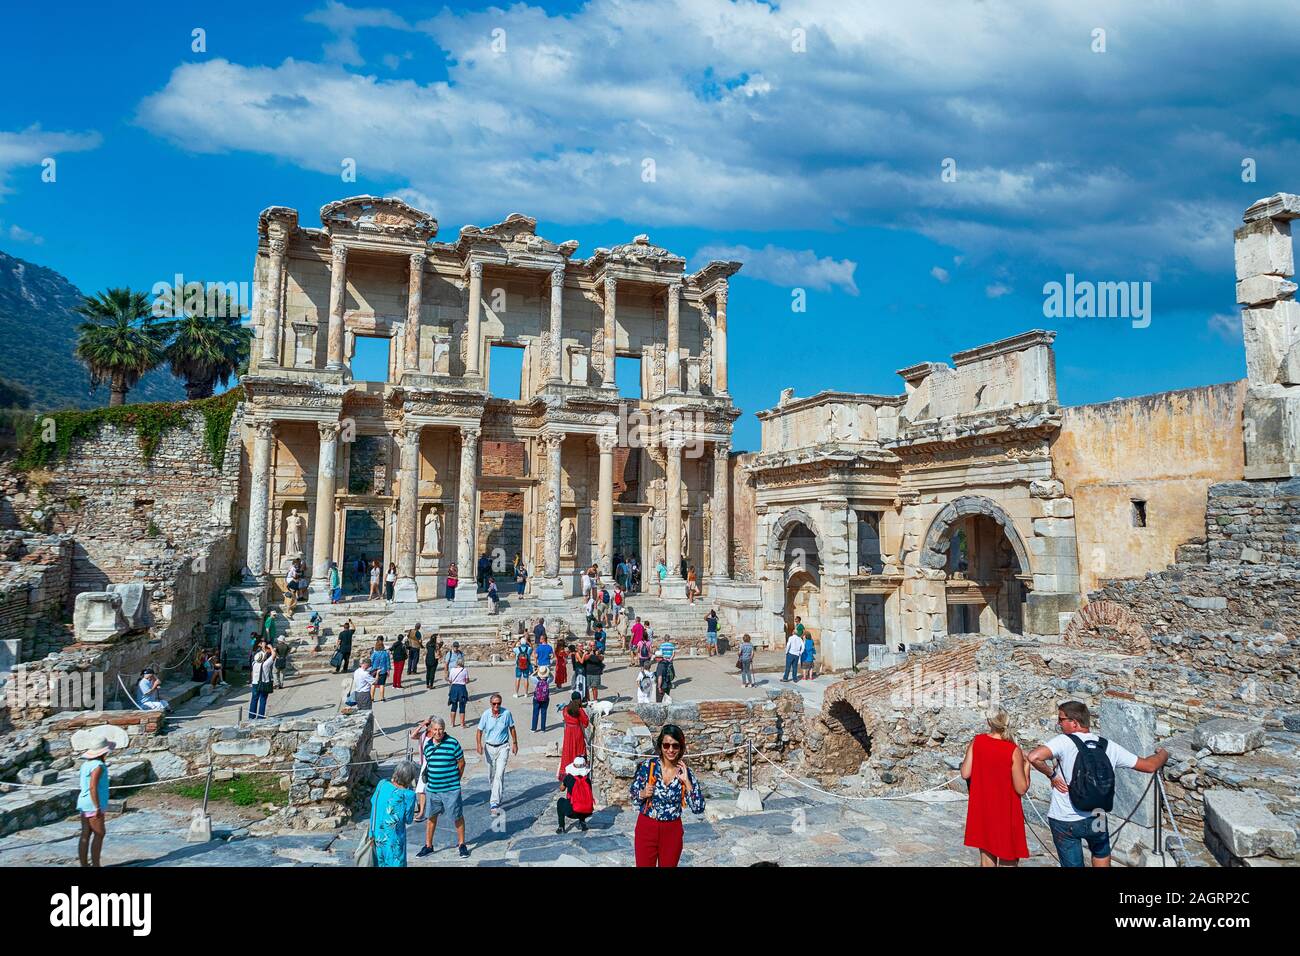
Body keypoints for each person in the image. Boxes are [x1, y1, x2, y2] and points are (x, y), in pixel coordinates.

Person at [1025, 700, 1171, 868]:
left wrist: (1052, 775)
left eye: (1061, 719)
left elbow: (1034, 757)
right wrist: (1163, 755)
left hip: (1065, 818)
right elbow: (1149, 765)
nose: (1059, 723)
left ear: (1074, 722)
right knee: (1101, 854)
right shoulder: (1107, 745)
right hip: (1097, 813)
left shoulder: (1064, 741)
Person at [961, 709, 1030, 866]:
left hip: (983, 809)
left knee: (986, 861)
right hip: (1006, 811)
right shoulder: (1013, 750)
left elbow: (965, 773)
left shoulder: (977, 741)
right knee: (1008, 859)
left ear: (989, 723)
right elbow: (1021, 788)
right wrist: (1027, 767)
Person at [630, 724, 705, 867]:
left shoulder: (685, 773)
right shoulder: (648, 767)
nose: (670, 750)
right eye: (666, 745)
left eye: (675, 746)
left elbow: (698, 808)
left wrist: (687, 782)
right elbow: (633, 794)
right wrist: (643, 793)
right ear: (660, 746)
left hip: (672, 831)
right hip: (647, 827)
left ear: (681, 747)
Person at [415, 717, 470, 859]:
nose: (438, 732)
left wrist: (455, 779)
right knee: (431, 817)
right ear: (431, 730)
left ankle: (462, 844)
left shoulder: (453, 743)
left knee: (457, 816)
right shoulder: (427, 746)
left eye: (440, 729)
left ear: (444, 730)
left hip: (451, 788)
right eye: (435, 729)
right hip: (433, 789)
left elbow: (461, 762)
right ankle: (428, 845)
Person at [370, 760, 420, 867]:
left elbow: (373, 805)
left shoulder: (382, 784)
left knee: (380, 863)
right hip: (395, 841)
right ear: (410, 778)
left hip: (378, 836)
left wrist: (371, 833)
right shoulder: (408, 795)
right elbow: (408, 819)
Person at [77, 733, 116, 867]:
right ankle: (96, 864)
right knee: (99, 833)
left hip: (83, 801)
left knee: (85, 834)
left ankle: (84, 864)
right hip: (93, 803)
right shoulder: (99, 765)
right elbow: (93, 786)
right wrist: (97, 806)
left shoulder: (85, 765)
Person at [476, 693, 519, 815]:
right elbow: (479, 731)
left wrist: (515, 743)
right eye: (494, 703)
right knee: (491, 775)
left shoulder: (506, 714)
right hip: (489, 747)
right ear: (491, 704)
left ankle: (494, 802)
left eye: (498, 703)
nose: (496, 706)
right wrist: (478, 744)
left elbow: (512, 728)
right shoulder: (485, 715)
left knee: (499, 774)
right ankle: (497, 792)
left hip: (503, 747)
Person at [557, 755, 595, 834]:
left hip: (572, 812)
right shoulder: (587, 780)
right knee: (582, 799)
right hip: (587, 812)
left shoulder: (569, 778)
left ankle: (561, 826)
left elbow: (561, 789)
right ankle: (583, 823)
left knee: (560, 801)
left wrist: (565, 781)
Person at [558, 692, 589, 784]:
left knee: (568, 751)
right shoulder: (579, 710)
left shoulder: (566, 709)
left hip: (568, 732)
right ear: (579, 699)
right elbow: (586, 722)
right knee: (579, 750)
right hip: (577, 732)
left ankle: (567, 773)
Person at [248, 645, 274, 719]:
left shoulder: (254, 663)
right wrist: (271, 647)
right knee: (262, 700)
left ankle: (251, 717)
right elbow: (273, 654)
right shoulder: (265, 664)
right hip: (263, 683)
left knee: (254, 700)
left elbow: (252, 673)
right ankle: (260, 717)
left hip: (255, 683)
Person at [447, 655, 470, 728]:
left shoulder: (452, 670)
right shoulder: (465, 670)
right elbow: (467, 681)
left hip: (454, 688)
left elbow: (450, 680)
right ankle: (462, 724)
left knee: (454, 706)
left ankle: (452, 723)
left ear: (457, 663)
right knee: (462, 706)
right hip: (462, 688)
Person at [531, 665, 553, 732]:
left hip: (536, 698)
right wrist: (548, 671)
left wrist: (536, 671)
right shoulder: (548, 680)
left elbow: (531, 676)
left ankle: (534, 728)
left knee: (535, 713)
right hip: (545, 699)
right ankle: (543, 728)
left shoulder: (535, 680)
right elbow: (552, 676)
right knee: (544, 712)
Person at [370, 637, 391, 702]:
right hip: (383, 670)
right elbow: (388, 662)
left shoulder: (374, 654)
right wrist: (388, 670)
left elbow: (371, 662)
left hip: (374, 670)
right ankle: (382, 697)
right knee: (382, 684)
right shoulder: (385, 653)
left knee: (373, 684)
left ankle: (372, 698)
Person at [512, 632, 533, 698]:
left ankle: (516, 693)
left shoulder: (517, 649)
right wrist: (528, 642)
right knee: (526, 679)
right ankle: (526, 693)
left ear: (520, 643)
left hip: (519, 666)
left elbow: (512, 647)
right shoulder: (528, 649)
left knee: (518, 679)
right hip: (526, 666)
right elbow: (532, 647)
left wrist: (516, 641)